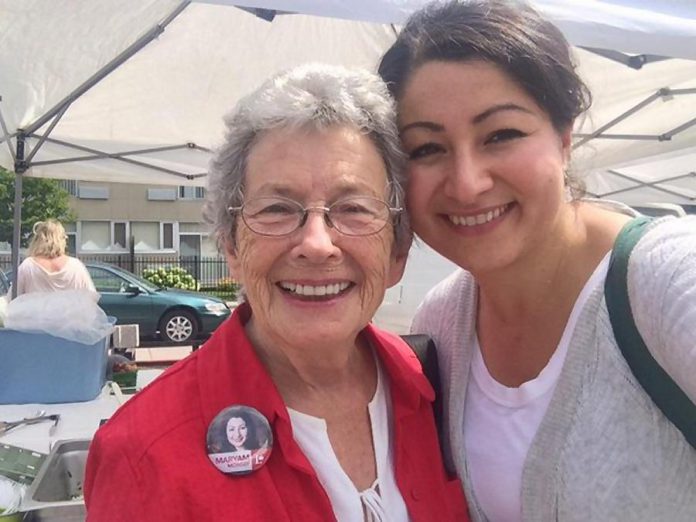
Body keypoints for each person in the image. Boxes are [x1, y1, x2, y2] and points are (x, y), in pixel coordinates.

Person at [84, 63, 468, 521]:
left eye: (353, 208)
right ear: (230, 246)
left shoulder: (432, 387)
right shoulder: (143, 453)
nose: (317, 244)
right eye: (278, 209)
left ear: (398, 251)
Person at [378, 1, 696, 521]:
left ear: (565, 139)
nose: (467, 183)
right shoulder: (439, 324)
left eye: (501, 135)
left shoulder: (669, 281)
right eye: (426, 149)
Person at [15, 219, 95, 296]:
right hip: (69, 309)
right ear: (61, 240)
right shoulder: (76, 266)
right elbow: (91, 296)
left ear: (38, 240)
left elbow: (13, 296)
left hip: (35, 310)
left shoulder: (28, 265)